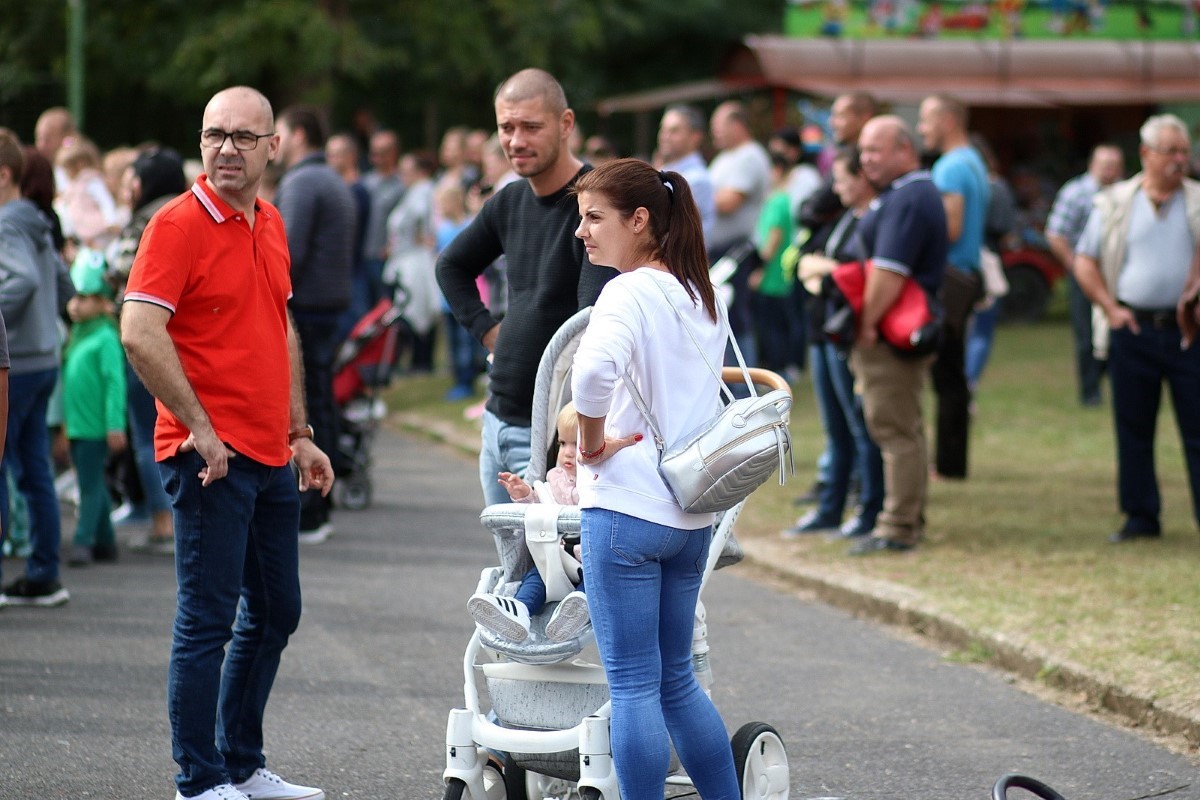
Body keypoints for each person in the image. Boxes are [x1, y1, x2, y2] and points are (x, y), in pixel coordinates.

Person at [120, 85, 333, 800]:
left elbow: (279, 325)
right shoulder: (176, 225)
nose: (227, 150)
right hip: (207, 458)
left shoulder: (269, 220)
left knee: (276, 611)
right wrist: (200, 428)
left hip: (270, 451)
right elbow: (138, 331)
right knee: (206, 620)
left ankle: (240, 764)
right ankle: (199, 779)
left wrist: (300, 432)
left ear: (274, 147)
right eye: (215, 135)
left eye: (244, 137)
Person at [569, 158, 740, 800]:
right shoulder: (703, 294)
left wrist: (590, 443)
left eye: (594, 218)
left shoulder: (627, 292)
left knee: (634, 686)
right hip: (691, 512)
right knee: (677, 683)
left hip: (626, 509)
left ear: (639, 220)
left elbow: (591, 375)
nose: (582, 232)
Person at [436, 68, 613, 508]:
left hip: (550, 436)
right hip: (497, 418)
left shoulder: (595, 205)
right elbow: (451, 266)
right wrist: (485, 329)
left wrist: (570, 438)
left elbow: (591, 325)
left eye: (531, 127)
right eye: (506, 127)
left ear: (566, 124)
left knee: (545, 555)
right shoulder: (510, 201)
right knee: (506, 553)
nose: (516, 140)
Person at [1072, 113, 1200, 545]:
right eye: (1170, 151)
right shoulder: (1115, 203)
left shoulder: (1196, 201)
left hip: (1188, 332)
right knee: (1133, 429)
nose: (1179, 160)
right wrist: (1110, 309)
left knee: (1197, 428)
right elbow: (1085, 261)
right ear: (1146, 154)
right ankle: (1141, 516)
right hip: (1134, 329)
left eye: (1184, 152)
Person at [848, 116, 948, 555]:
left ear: (904, 149)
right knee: (903, 427)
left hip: (891, 333)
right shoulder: (907, 193)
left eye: (875, 149)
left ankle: (897, 527)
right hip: (896, 330)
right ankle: (906, 519)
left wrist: (867, 322)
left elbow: (889, 272)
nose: (866, 159)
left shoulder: (910, 196)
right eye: (863, 150)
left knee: (894, 430)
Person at [784, 146, 884, 539]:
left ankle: (868, 510)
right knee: (836, 428)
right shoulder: (842, 217)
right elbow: (809, 261)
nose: (836, 187)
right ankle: (830, 509)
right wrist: (824, 269)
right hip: (823, 329)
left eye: (842, 179)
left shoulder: (873, 219)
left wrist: (825, 270)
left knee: (859, 426)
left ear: (863, 179)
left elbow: (852, 272)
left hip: (845, 331)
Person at [274, 105, 357, 544]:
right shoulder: (330, 178)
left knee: (304, 405)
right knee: (320, 399)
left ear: (299, 134)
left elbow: (286, 250)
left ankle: (311, 507)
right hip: (328, 305)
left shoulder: (303, 181)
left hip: (306, 307)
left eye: (280, 132)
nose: (274, 143)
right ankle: (319, 503)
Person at [0, 130, 74, 607]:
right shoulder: (37, 220)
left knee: (8, 468)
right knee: (34, 469)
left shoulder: (7, 223)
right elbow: (62, 283)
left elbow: (23, 279)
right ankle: (45, 573)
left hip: (19, 363)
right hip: (44, 357)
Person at [109, 147, 188, 553]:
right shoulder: (190, 215)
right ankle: (178, 516)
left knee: (147, 434)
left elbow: (119, 272)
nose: (128, 190)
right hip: (184, 341)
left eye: (133, 181)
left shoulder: (145, 221)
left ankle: (163, 522)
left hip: (148, 340)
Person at [466, 402, 588, 644]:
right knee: (535, 578)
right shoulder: (555, 480)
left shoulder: (599, 482)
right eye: (562, 443)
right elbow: (541, 506)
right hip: (555, 559)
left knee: (594, 583)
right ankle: (518, 611)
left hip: (588, 560)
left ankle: (575, 613)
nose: (567, 452)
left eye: (576, 444)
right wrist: (524, 494)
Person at [917, 94, 989, 481]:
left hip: (951, 279)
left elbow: (952, 227)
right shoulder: (973, 160)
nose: (920, 129)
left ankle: (946, 464)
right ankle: (951, 463)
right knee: (953, 374)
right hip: (967, 276)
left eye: (925, 120)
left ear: (947, 121)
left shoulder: (951, 166)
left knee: (946, 376)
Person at [1045, 143, 1125, 406]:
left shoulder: (1126, 193)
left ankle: (1118, 386)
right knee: (1086, 336)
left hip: (1116, 274)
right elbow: (1055, 233)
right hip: (1084, 273)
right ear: (1092, 165)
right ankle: (1090, 393)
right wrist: (1075, 265)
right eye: (1105, 166)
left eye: (1114, 166)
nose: (1109, 171)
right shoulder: (1076, 192)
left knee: (1118, 330)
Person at [62, 248, 126, 567]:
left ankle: (83, 541)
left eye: (85, 297)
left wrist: (115, 425)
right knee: (93, 482)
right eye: (75, 296)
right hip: (77, 424)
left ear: (102, 302)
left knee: (88, 485)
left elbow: (115, 385)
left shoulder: (106, 338)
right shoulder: (77, 334)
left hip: (95, 427)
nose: (76, 304)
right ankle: (106, 542)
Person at [708, 101, 771, 364]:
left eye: (718, 126)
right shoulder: (724, 158)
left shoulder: (750, 156)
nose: (714, 132)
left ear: (738, 125)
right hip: (720, 251)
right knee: (719, 318)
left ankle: (744, 382)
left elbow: (728, 202)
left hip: (737, 251)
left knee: (734, 320)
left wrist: (695, 196)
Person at [751, 152, 798, 374]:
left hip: (773, 274)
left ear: (777, 171)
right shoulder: (776, 199)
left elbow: (775, 236)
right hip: (773, 273)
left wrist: (760, 268)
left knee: (772, 326)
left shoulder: (779, 200)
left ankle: (777, 370)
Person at [656, 105, 715, 238]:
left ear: (695, 137)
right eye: (663, 130)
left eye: (674, 131)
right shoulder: (664, 171)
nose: (665, 136)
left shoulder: (697, 180)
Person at [361, 130, 405, 309]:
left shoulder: (402, 184)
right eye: (373, 153)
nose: (376, 158)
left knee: (387, 306)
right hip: (364, 255)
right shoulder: (365, 182)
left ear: (393, 153)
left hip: (387, 257)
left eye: (381, 153)